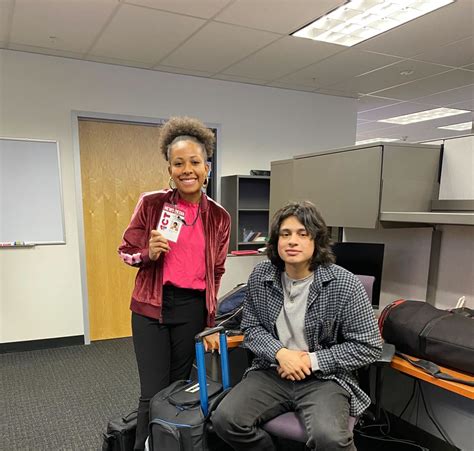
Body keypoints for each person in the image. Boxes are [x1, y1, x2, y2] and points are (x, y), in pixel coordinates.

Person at [212, 201, 382, 451]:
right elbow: (251, 328)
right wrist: (281, 354)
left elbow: (369, 346)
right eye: (285, 234)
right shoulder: (261, 276)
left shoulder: (344, 284)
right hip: (272, 371)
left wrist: (309, 361)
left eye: (303, 234)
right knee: (225, 420)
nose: (293, 241)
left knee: (330, 439)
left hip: (325, 378)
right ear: (276, 241)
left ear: (317, 241)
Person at [118, 116, 231, 450]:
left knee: (178, 388)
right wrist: (148, 253)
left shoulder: (219, 216)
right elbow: (125, 251)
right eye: (178, 163)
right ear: (169, 169)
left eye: (194, 162)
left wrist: (210, 320)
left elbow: (217, 272)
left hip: (192, 309)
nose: (187, 170)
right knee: (152, 392)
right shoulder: (152, 204)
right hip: (151, 308)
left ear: (207, 168)